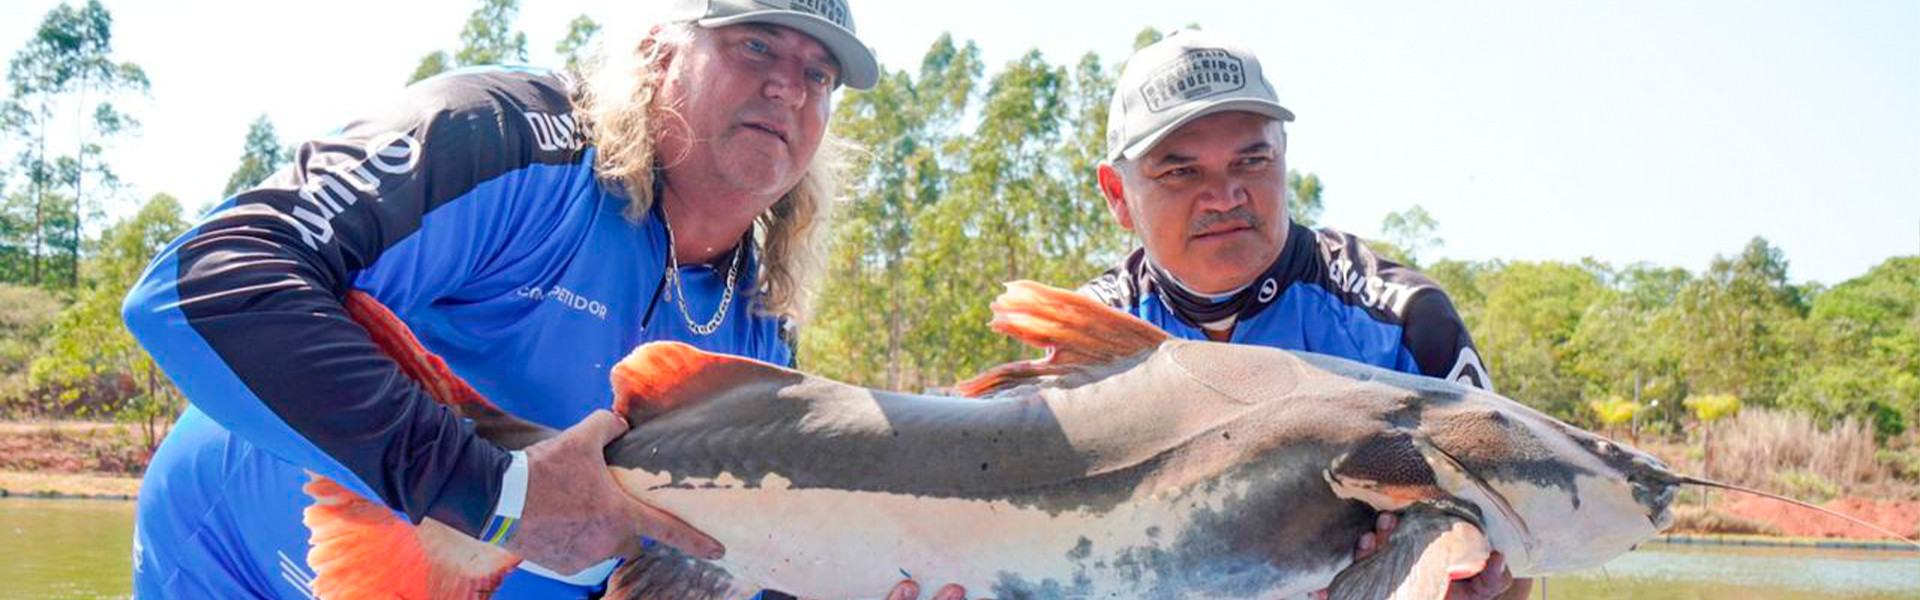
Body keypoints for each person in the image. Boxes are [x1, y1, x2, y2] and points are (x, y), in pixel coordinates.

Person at [122, 1, 974, 598]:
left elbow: (708, 560)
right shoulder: (512, 143)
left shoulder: (762, 327)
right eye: (754, 45)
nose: (789, 85)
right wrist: (496, 496)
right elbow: (208, 281)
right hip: (230, 555)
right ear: (658, 54)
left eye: (819, 73)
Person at [1082, 30, 1525, 599]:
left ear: (1284, 158)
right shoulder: (1086, 344)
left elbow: (1520, 559)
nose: (1225, 195)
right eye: (1181, 171)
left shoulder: (1405, 324)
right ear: (1118, 194)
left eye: (1252, 159)